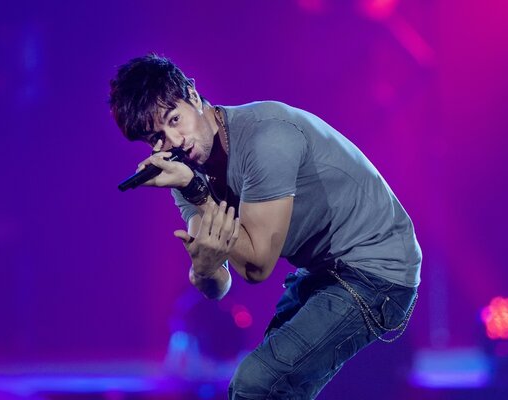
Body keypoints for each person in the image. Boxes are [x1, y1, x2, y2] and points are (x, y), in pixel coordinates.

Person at [109, 53, 422, 399]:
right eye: (156, 138)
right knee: (264, 386)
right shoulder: (188, 173)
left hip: (377, 270)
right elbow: (218, 286)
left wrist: (197, 193)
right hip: (326, 271)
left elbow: (256, 267)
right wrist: (203, 269)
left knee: (258, 384)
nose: (174, 141)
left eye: (174, 119)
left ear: (194, 96)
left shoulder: (265, 138)